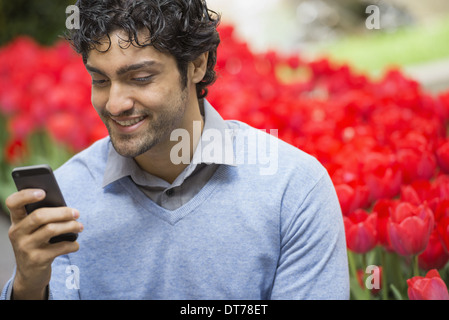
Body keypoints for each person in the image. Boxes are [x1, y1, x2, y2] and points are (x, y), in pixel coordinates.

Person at [1, 0, 349, 300]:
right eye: (100, 80)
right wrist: (29, 284)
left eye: (140, 78)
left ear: (196, 65)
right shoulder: (68, 198)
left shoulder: (293, 189)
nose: (116, 103)